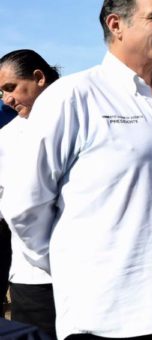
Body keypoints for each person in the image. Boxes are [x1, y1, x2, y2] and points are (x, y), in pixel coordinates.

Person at [2, 0, 152, 339]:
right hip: (109, 316)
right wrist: (75, 265)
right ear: (116, 25)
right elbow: (24, 205)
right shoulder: (73, 96)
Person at [0, 50, 60, 337]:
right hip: (35, 281)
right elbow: (14, 210)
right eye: (2, 92)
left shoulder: (85, 120)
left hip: (92, 277)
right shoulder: (7, 138)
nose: (6, 100)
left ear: (39, 78)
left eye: (10, 88)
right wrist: (51, 258)